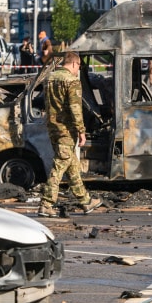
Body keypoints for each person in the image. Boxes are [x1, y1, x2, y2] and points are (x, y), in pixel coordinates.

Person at [37, 51, 102, 217]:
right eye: (78, 66)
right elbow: (75, 109)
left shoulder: (49, 78)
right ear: (74, 63)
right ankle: (46, 203)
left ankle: (86, 202)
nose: (78, 70)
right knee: (59, 165)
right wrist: (81, 131)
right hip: (66, 130)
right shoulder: (72, 81)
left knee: (72, 166)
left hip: (53, 128)